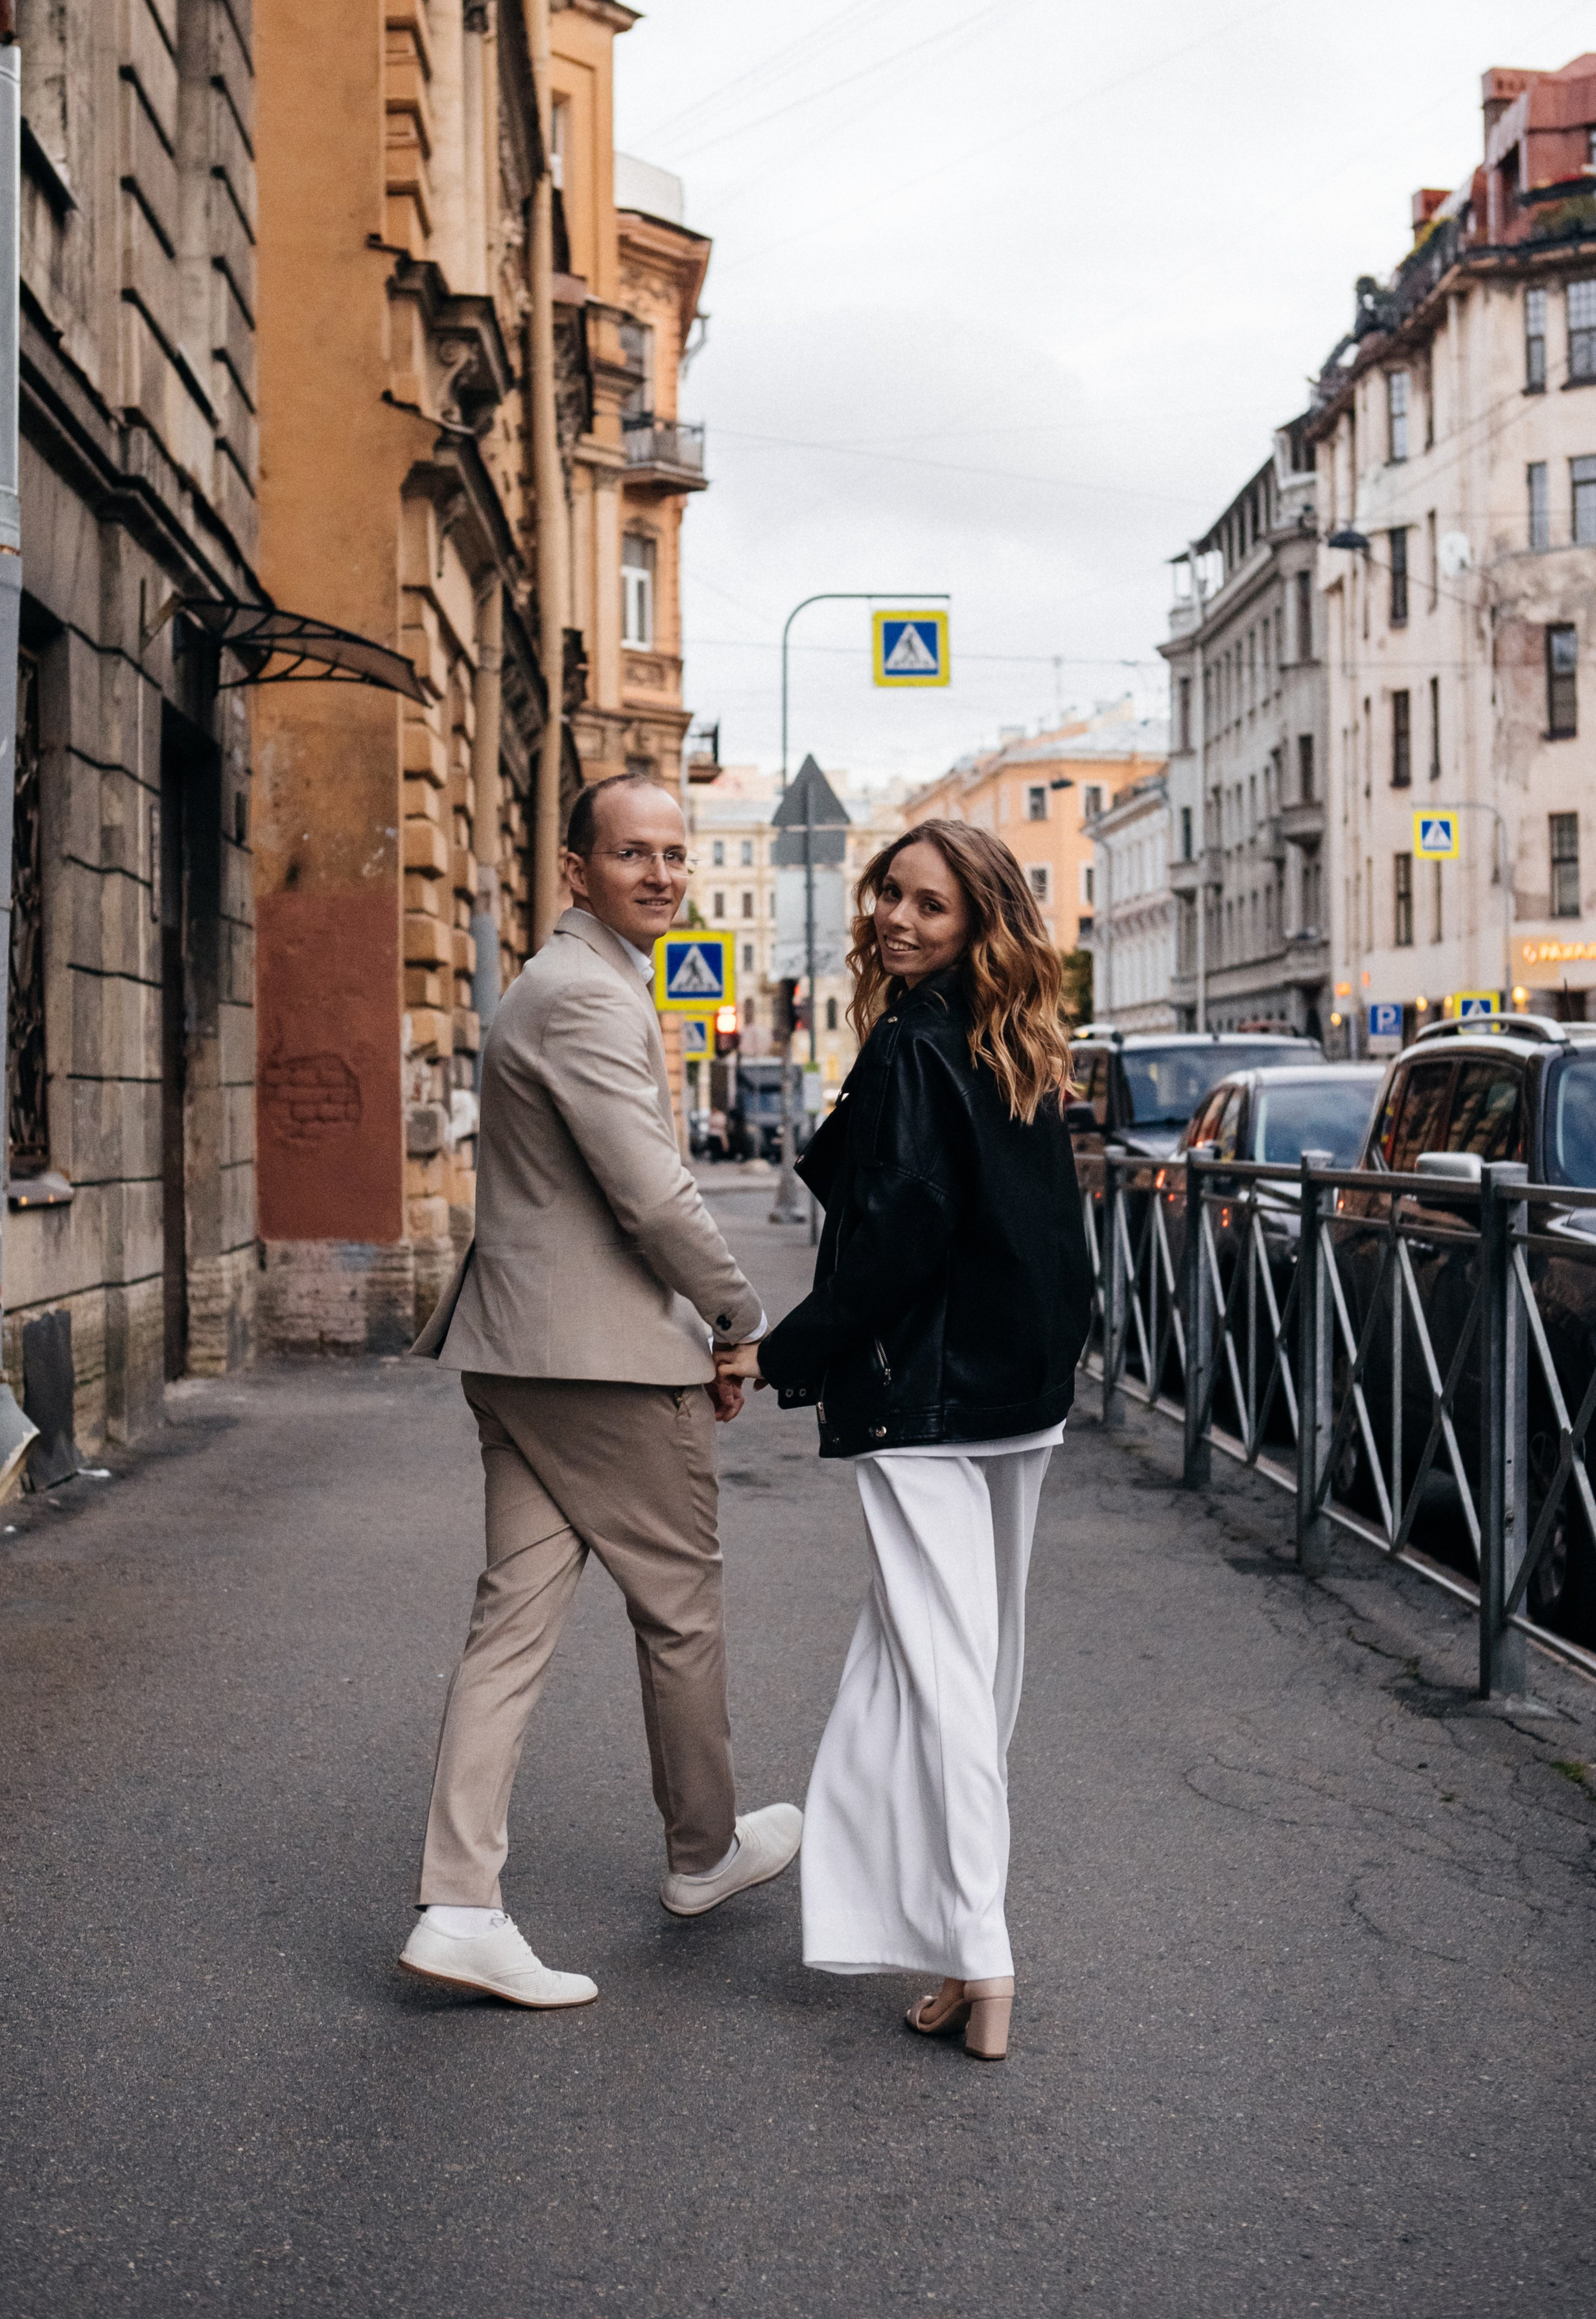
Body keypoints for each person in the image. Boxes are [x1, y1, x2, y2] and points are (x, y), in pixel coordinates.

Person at [401, 775, 802, 2009]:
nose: (664, 875)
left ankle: (460, 1903)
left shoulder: (576, 979)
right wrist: (737, 1319)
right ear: (577, 868)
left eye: (676, 856)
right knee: (680, 1608)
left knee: (512, 1621)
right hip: (603, 1364)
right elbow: (652, 1194)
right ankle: (702, 1853)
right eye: (634, 855)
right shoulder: (582, 994)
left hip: (526, 1355)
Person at [716, 821, 1090, 2062]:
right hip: (1018, 1396)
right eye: (891, 895)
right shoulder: (1017, 1040)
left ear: (979, 924)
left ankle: (982, 1956)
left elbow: (898, 1242)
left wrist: (779, 1355)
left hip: (929, 1402)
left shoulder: (917, 1041)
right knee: (933, 1664)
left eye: (930, 906)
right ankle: (921, 1928)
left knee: (941, 1673)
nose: (894, 919)